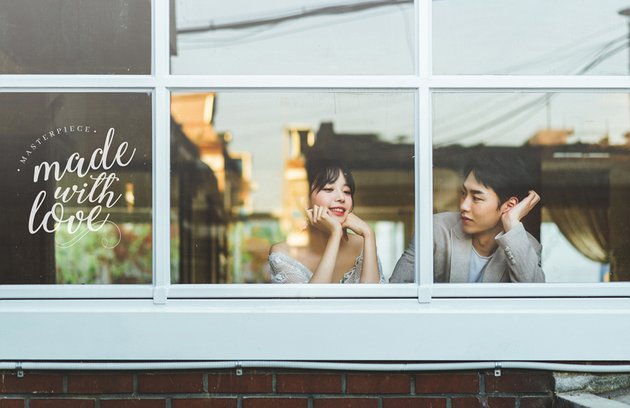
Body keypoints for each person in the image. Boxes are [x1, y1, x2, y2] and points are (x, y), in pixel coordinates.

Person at [390, 152, 545, 283]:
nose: (463, 206)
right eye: (463, 193)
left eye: (476, 198)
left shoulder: (526, 245)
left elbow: (537, 300)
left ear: (509, 206)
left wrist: (512, 222)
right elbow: (396, 290)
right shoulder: (435, 230)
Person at [269, 159, 383, 283]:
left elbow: (372, 300)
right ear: (305, 202)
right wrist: (335, 234)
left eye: (347, 191)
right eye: (328, 189)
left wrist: (369, 233)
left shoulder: (362, 244)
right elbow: (313, 301)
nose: (341, 198)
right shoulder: (283, 253)